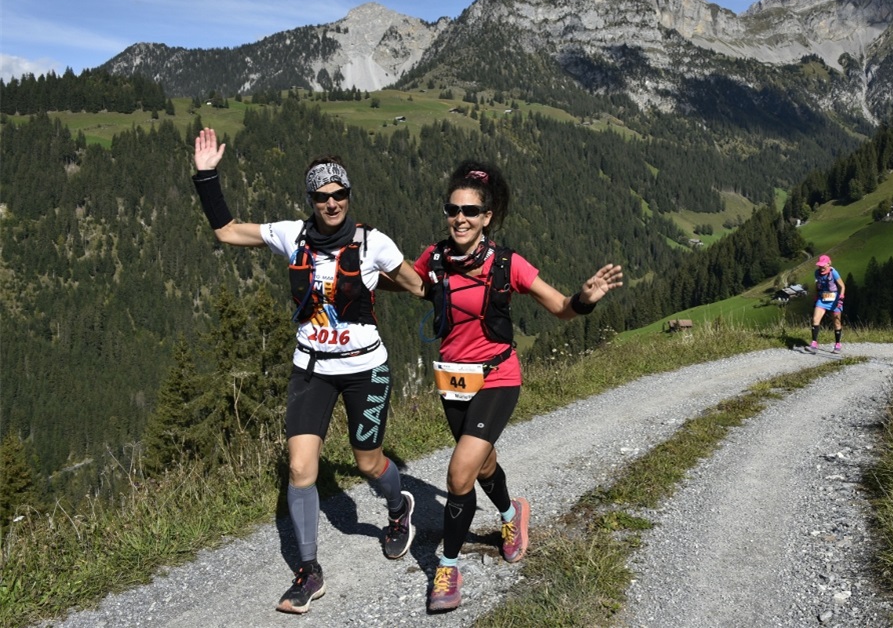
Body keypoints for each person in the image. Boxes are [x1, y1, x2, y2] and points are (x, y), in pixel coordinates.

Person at [191, 127, 423, 614]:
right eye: (322, 196)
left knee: (367, 462)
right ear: (311, 199)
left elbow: (418, 284)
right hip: (311, 368)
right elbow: (228, 231)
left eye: (340, 195)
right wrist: (206, 177)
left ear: (348, 196)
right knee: (300, 468)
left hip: (366, 369)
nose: (332, 204)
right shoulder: (290, 235)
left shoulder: (374, 242)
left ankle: (399, 509)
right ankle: (309, 570)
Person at [408, 160, 623, 612]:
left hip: (498, 377)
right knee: (483, 464)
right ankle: (511, 516)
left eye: (471, 211)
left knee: (459, 472)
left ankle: (446, 567)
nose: (460, 218)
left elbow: (562, 308)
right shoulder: (436, 258)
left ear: (487, 216)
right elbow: (407, 280)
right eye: (453, 209)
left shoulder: (509, 264)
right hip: (452, 381)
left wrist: (584, 298)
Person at [810, 254, 846, 353]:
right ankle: (814, 343)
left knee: (837, 322)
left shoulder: (833, 273)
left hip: (834, 301)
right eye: (819, 265)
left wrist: (841, 299)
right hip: (822, 299)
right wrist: (816, 296)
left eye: (823, 265)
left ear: (829, 263)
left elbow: (842, 286)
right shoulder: (817, 273)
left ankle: (837, 344)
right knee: (815, 319)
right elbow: (817, 285)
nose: (821, 268)